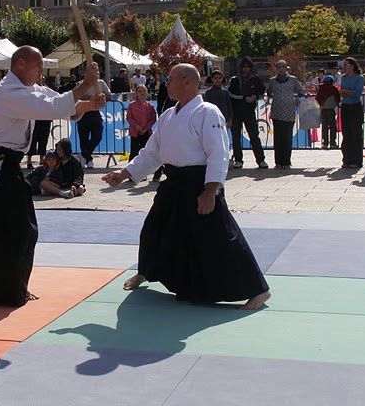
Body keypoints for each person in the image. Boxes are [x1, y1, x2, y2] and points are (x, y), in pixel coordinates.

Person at [0, 46, 105, 306]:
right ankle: (8, 289)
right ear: (21, 64)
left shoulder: (27, 89)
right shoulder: (8, 92)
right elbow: (51, 108)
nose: (40, 71)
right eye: (37, 66)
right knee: (20, 229)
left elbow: (59, 104)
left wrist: (89, 103)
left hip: (3, 165)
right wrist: (85, 84)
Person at [102, 63, 271, 310]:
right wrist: (125, 172)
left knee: (218, 237)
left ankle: (258, 289)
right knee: (154, 229)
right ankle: (147, 271)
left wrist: (211, 191)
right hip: (174, 183)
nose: (166, 83)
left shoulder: (208, 112)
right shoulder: (169, 115)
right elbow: (152, 152)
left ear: (187, 82)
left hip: (200, 183)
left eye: (170, 79)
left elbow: (218, 153)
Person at [228, 57, 268, 169]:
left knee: (254, 136)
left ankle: (261, 160)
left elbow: (262, 90)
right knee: (236, 137)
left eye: (248, 66)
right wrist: (244, 97)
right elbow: (230, 94)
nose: (246, 69)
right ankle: (238, 160)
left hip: (249, 111)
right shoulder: (235, 80)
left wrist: (254, 96)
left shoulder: (255, 79)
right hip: (236, 112)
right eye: (244, 66)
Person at [267, 60, 304, 169]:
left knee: (287, 138)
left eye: (283, 67)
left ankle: (287, 161)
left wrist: (298, 97)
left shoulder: (293, 80)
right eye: (279, 67)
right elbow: (269, 92)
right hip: (277, 112)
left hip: (289, 112)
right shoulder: (272, 81)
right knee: (278, 138)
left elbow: (300, 91)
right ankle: (278, 162)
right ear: (277, 69)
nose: (281, 69)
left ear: (286, 68)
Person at [77, 77, 111, 169]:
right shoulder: (81, 83)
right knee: (83, 138)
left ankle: (84, 155)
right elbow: (77, 96)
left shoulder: (101, 83)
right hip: (83, 111)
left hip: (95, 111)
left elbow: (109, 96)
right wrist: (92, 98)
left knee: (97, 136)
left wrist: (102, 97)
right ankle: (88, 160)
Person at [340, 57, 365, 169]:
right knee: (346, 133)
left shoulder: (359, 78)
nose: (344, 67)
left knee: (356, 133)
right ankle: (346, 159)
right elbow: (343, 92)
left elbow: (357, 93)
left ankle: (356, 160)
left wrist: (346, 91)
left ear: (352, 66)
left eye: (346, 65)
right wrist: (345, 92)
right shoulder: (343, 78)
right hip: (345, 106)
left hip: (355, 107)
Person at [27, 76, 53, 169]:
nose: (40, 80)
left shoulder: (47, 89)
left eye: (42, 79)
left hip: (45, 118)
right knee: (32, 140)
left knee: (43, 140)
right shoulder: (30, 89)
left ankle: (42, 161)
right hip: (35, 118)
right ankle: (29, 161)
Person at [127, 84, 157, 161]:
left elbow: (153, 119)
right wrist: (136, 126)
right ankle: (130, 171)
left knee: (146, 152)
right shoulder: (132, 105)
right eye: (140, 91)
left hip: (146, 132)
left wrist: (146, 128)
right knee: (134, 152)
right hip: (135, 132)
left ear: (147, 92)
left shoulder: (150, 106)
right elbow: (129, 118)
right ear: (136, 93)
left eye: (144, 91)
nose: (142, 93)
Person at [315, 74, 340, 149]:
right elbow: (338, 98)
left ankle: (325, 143)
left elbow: (318, 98)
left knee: (324, 127)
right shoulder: (333, 89)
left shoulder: (321, 89)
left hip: (323, 110)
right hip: (331, 110)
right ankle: (332, 142)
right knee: (332, 127)